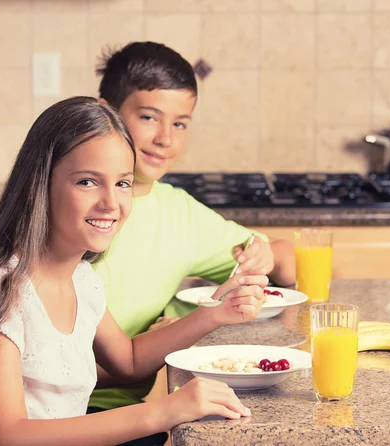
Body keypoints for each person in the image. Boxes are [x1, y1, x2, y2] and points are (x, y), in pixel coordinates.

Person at [0, 97, 267, 446]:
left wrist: (217, 312)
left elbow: (128, 362)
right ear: (37, 186)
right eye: (87, 182)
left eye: (123, 183)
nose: (110, 202)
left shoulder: (82, 280)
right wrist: (162, 412)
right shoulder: (1, 289)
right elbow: (8, 435)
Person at [89, 41, 296, 442]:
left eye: (180, 123)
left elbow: (286, 260)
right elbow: (45, 365)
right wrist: (160, 343)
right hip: (46, 411)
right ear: (105, 114)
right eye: (149, 117)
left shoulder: (180, 215)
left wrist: (266, 253)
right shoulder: (72, 209)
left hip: (121, 411)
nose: (165, 138)